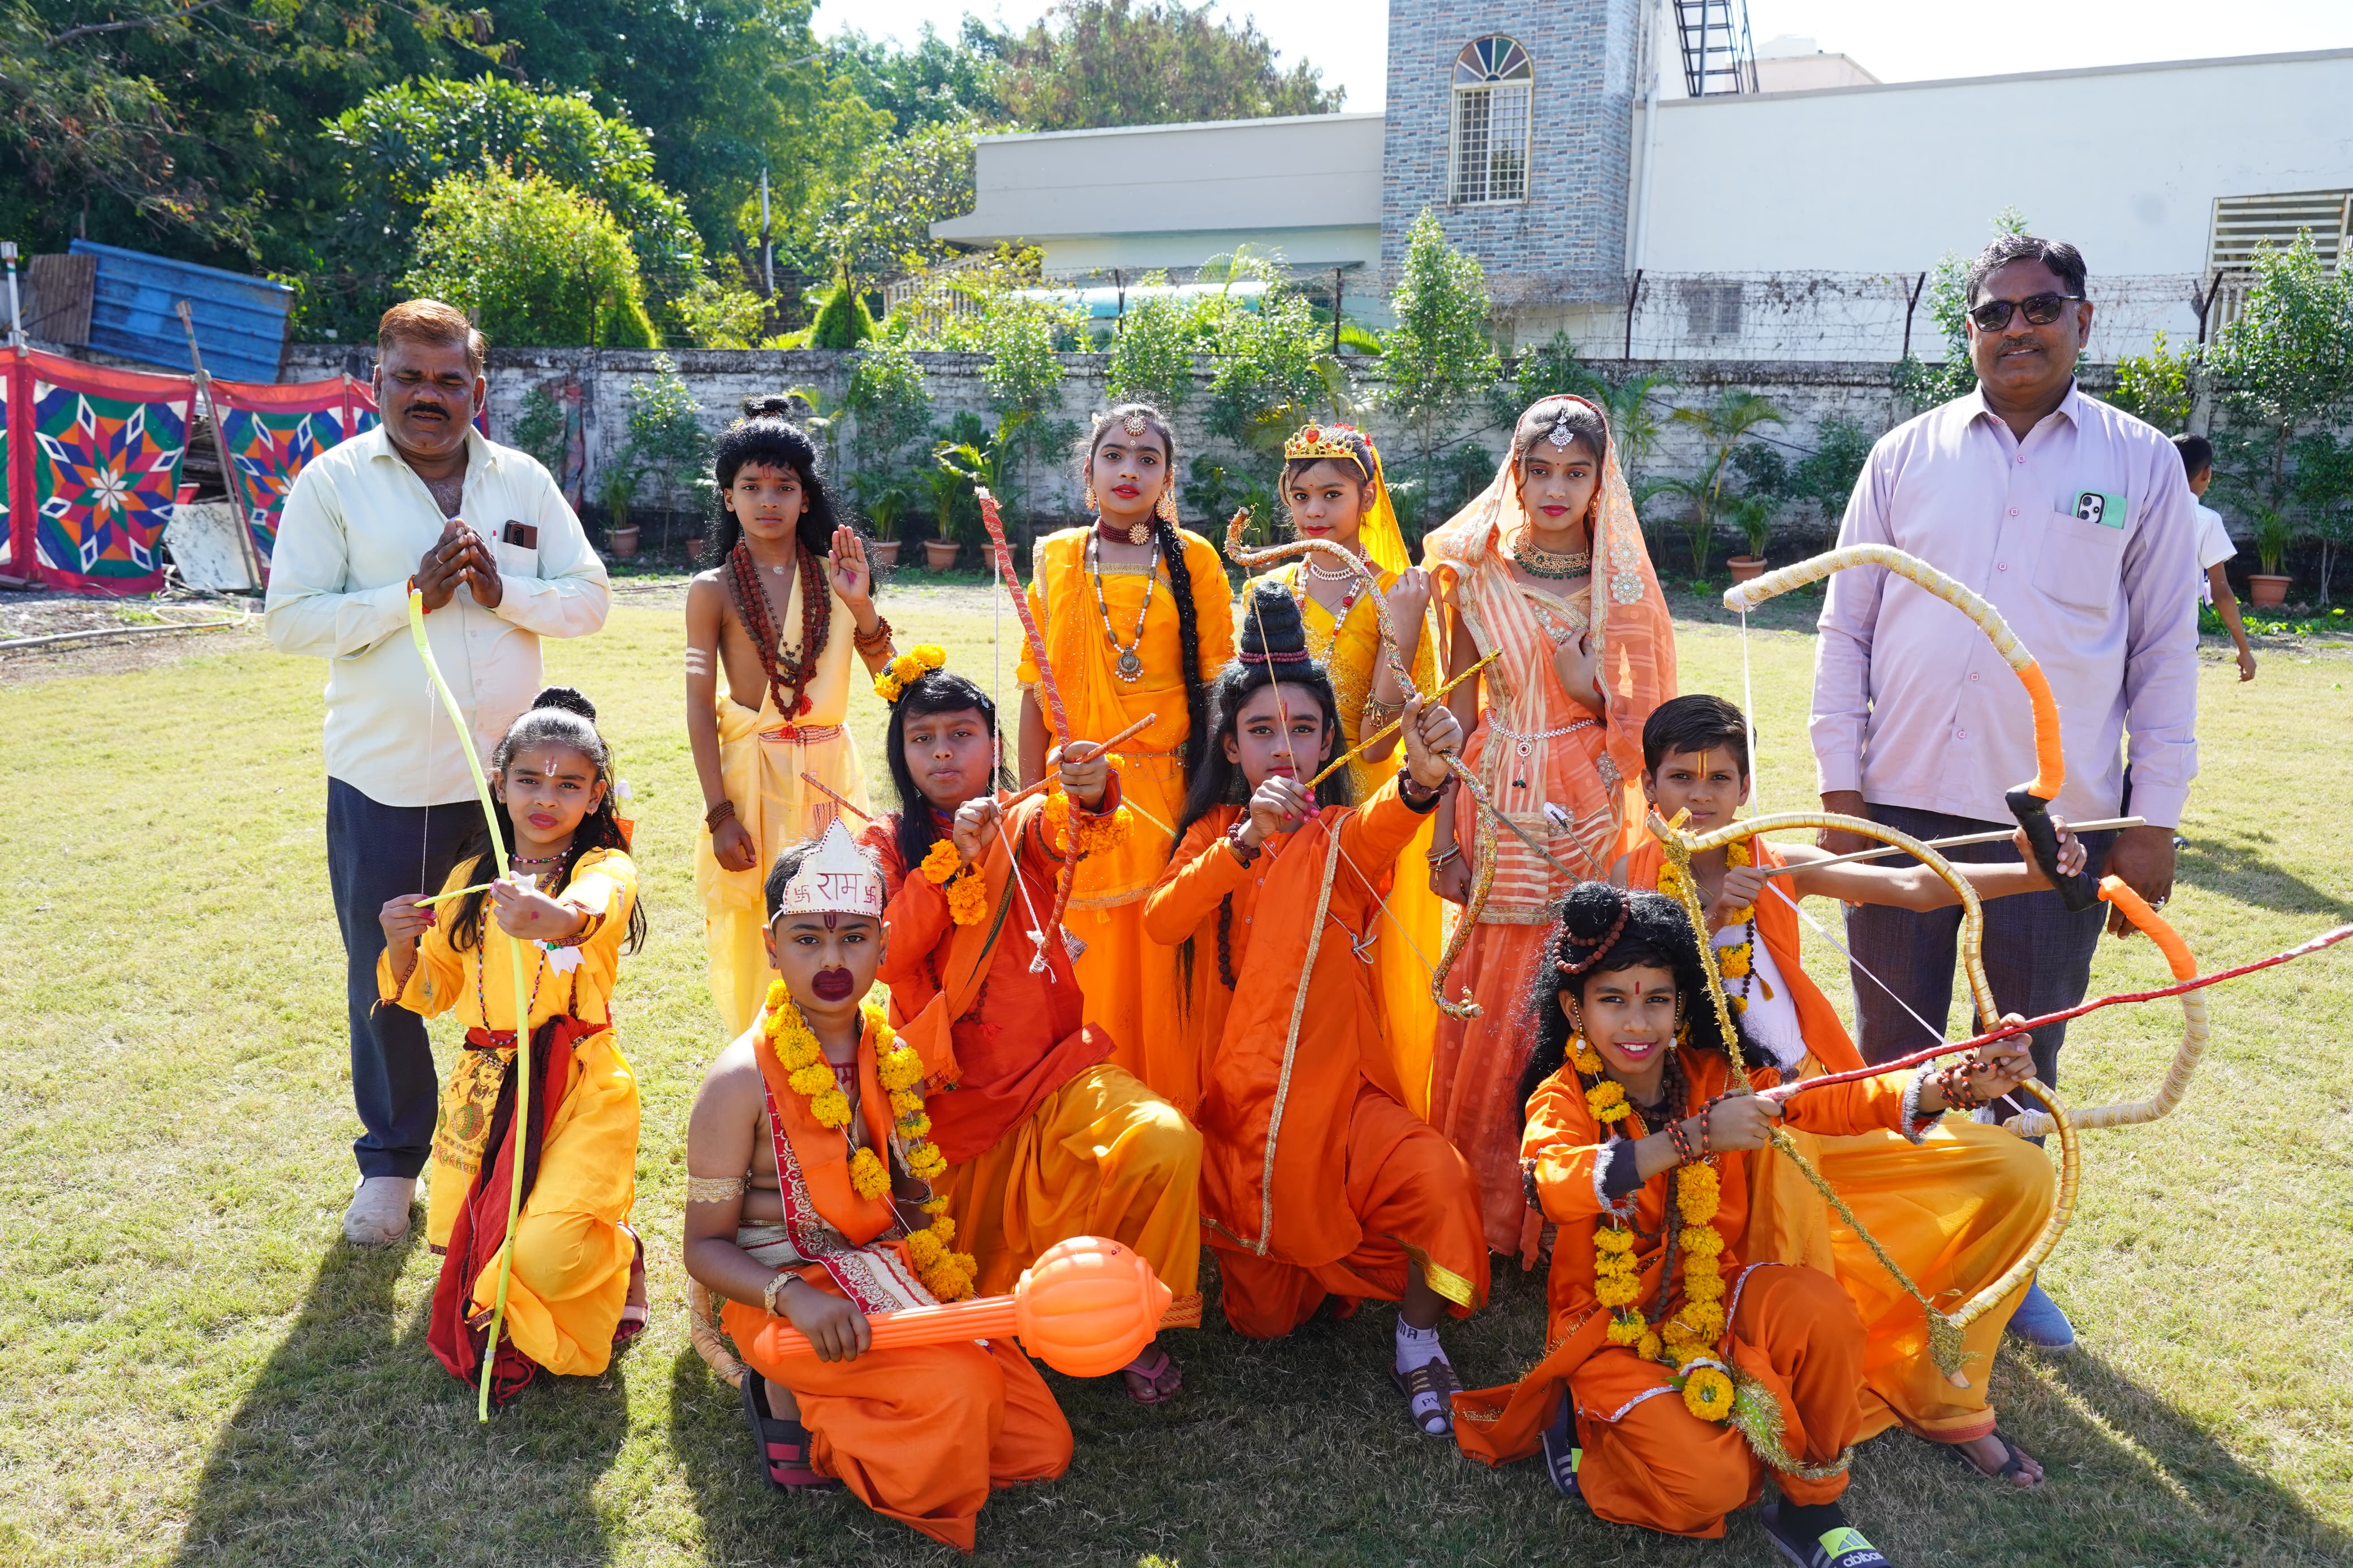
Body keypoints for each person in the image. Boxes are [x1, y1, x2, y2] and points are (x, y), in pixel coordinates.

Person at [1812, 234, 2199, 1350]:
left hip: (2058, 827)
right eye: (1993, 313)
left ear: (2083, 321)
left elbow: (2164, 649)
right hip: (1897, 806)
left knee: (2020, 1050)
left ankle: (2002, 1266)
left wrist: (2151, 818)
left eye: (2040, 309)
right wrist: (1841, 785)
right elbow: (1846, 623)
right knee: (1893, 1049)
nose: (2016, 329)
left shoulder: (2140, 464)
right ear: (1970, 330)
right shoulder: (1905, 455)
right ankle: (1889, 1250)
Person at [1451, 883, 2045, 1563]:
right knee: (1714, 1483)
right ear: (1573, 1008)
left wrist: (1960, 1085)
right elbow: (1550, 1183)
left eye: (1656, 1000)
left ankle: (1812, 1514)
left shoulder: (1718, 1076)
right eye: (1612, 1000)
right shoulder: (1562, 1097)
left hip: (1721, 1299)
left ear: (1681, 1007)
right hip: (1608, 1329)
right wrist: (1689, 1140)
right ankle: (1581, 1432)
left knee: (1822, 1310)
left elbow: (1836, 1102)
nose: (1636, 1023)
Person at [1631, 694, 2067, 1487]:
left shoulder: (1769, 858)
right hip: (1743, 1138)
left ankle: (1944, 1390)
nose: (1702, 796)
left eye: (1722, 778)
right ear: (1647, 787)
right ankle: (1819, 1392)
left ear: (1746, 786)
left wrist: (2034, 871)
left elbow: (1913, 889)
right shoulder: (1631, 890)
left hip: (1833, 1104)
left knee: (2021, 1171)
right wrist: (1713, 926)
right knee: (1793, 1176)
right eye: (1682, 777)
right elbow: (1651, 1037)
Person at [265, 298, 611, 1246]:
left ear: (477, 388)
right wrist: (403, 597)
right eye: (410, 377)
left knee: (521, 961)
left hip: (517, 790)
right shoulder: (334, 484)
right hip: (384, 779)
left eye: (448, 379)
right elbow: (289, 616)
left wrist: (508, 593)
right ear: (377, 381)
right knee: (387, 966)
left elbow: (590, 601)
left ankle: (516, 1139)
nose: (429, 395)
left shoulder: (523, 480)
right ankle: (391, 1161)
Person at [1143, 585, 1489, 1437]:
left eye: (1302, 730)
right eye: (1262, 732)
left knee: (1438, 1177)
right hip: (1245, 1119)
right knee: (1267, 1318)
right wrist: (1246, 842)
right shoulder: (1217, 833)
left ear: (1329, 740)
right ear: (1231, 745)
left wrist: (1421, 777)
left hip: (1343, 1102)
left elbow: (1387, 822)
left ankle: (1416, 1337)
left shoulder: (1341, 834)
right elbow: (1163, 921)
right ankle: (1309, 1262)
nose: (1284, 750)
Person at [681, 824, 1071, 1550]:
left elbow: (908, 1200)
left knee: (1037, 1442)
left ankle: (870, 1407)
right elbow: (703, 1249)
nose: (832, 960)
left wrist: (922, 1217)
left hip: (883, 1272)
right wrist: (790, 1296)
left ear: (885, 944)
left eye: (854, 937)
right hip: (782, 1297)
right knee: (964, 1394)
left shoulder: (891, 1054)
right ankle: (798, 1409)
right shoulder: (736, 1081)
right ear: (771, 944)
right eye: (806, 939)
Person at [859, 653, 1204, 1403]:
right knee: (954, 1286)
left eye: (962, 734)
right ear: (900, 751)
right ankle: (1050, 1309)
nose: (944, 752)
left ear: (994, 745)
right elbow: (881, 953)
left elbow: (1068, 830)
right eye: (923, 739)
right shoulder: (881, 845)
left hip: (1055, 1076)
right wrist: (953, 864)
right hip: (948, 1105)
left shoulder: (1020, 816)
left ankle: (1141, 1316)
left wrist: (1090, 787)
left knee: (1166, 1141)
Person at [1421, 395, 1677, 1256]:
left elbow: (1650, 724)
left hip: (1588, 795)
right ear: (1515, 475)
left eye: (1577, 472)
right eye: (1541, 471)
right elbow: (1454, 705)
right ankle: (1489, 1195)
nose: (1557, 488)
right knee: (1494, 973)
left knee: (1583, 967)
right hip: (1493, 787)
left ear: (1602, 482)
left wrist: (1589, 690)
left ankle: (1572, 1193)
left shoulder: (1622, 582)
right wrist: (1443, 838)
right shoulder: (1473, 571)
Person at [376, 687, 646, 1402]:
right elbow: (431, 991)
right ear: (499, 785)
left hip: (579, 1087)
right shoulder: (470, 879)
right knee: (487, 1237)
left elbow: (594, 911)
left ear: (595, 797)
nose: (545, 798)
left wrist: (550, 915)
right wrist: (400, 944)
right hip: (487, 1084)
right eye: (528, 779)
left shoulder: (602, 868)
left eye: (568, 784)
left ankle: (616, 1254)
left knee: (547, 1254)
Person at [1019, 404, 1235, 1113]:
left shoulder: (1194, 559)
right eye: (1113, 456)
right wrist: (1025, 802)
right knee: (1088, 968)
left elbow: (1218, 692)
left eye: (1146, 461)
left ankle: (1166, 1126)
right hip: (1072, 796)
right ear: (1089, 472)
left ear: (1166, 479)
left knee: (1165, 963)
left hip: (1167, 795)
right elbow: (1032, 693)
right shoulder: (1056, 558)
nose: (1128, 471)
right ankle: (1081, 1127)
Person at [1239, 421, 1447, 1113]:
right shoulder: (1267, 590)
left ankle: (1360, 1116)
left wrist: (1406, 627)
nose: (1316, 512)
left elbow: (1380, 743)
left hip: (1362, 818)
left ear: (1368, 497)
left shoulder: (1402, 591)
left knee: (1358, 975)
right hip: (1276, 807)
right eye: (1301, 497)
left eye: (1333, 494)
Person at [688, 399, 897, 1038]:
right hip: (752, 779)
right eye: (751, 487)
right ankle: (767, 1063)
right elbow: (698, 706)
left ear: (807, 499)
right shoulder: (712, 588)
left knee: (836, 911)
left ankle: (838, 1048)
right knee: (768, 922)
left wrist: (859, 604)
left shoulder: (835, 575)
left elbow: (893, 682)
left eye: (784, 487)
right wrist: (720, 814)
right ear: (728, 497)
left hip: (830, 770)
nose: (768, 500)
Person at [2174, 433, 2257, 682]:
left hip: (2126, 622)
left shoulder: (2139, 508)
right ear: (2206, 473)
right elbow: (2221, 592)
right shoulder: (2205, 520)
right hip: (2179, 628)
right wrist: (2244, 649)